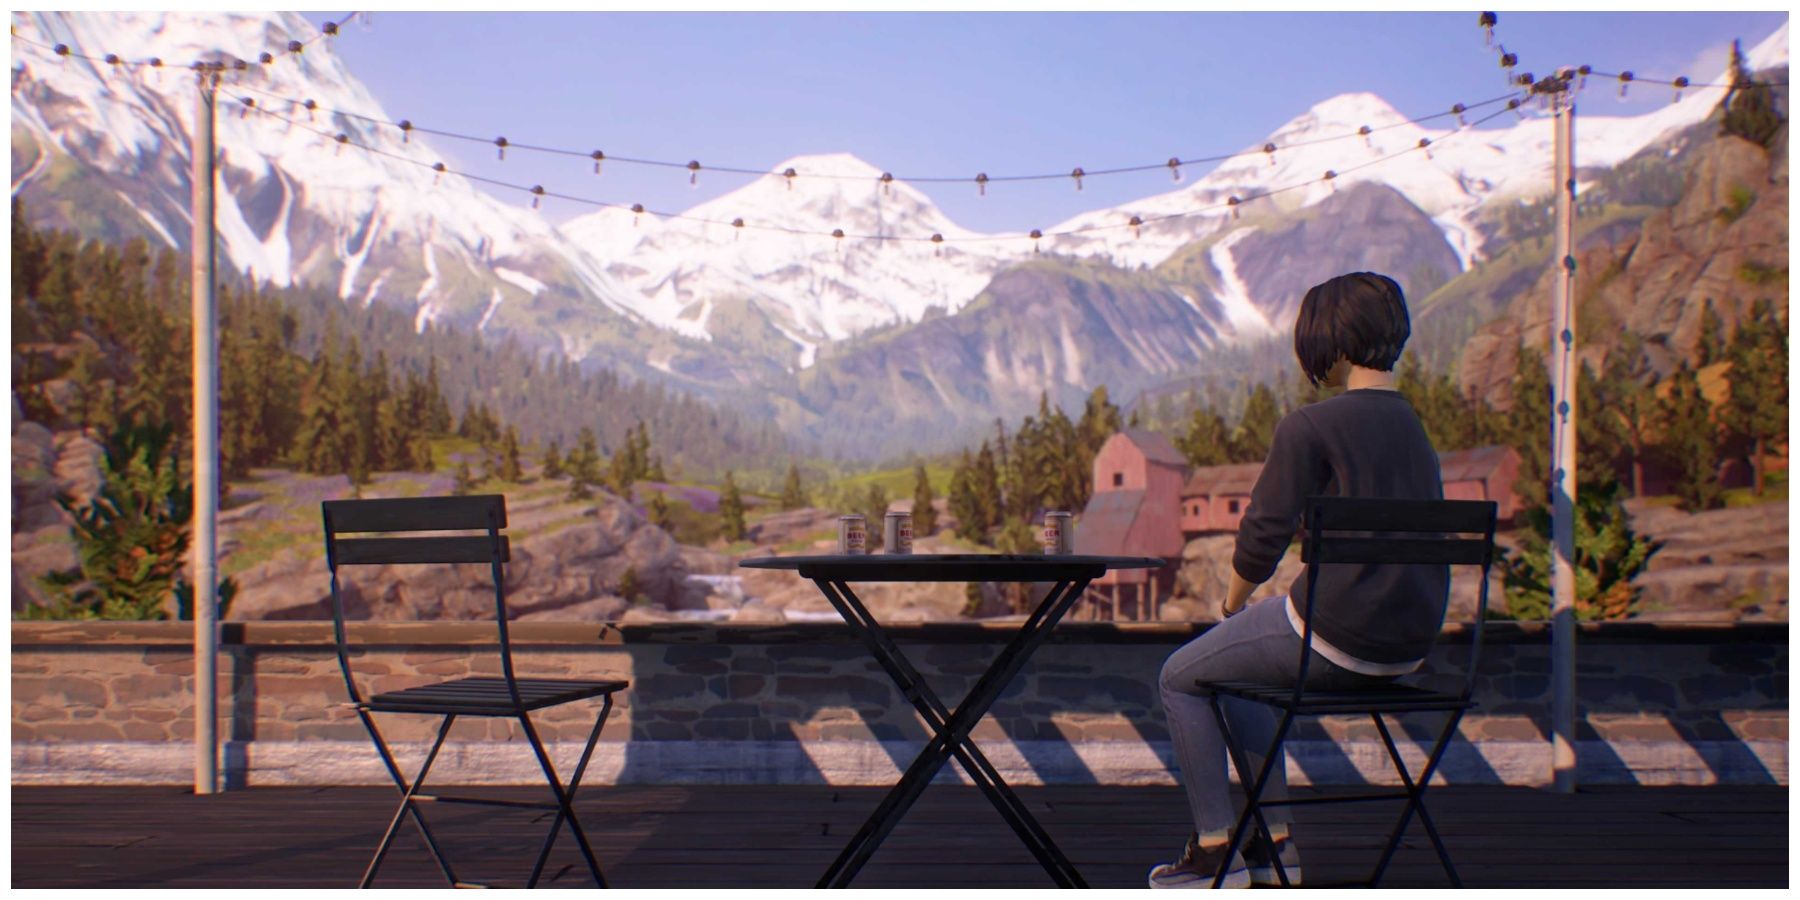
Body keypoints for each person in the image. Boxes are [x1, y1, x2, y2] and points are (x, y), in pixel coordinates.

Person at [1147, 272, 1449, 889]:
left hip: (1334, 635)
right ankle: (1274, 847)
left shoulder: (1310, 426)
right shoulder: (1414, 429)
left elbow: (1263, 535)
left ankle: (1213, 853)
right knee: (1231, 675)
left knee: (1180, 676)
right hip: (1410, 646)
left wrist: (1231, 607)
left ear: (1332, 343)